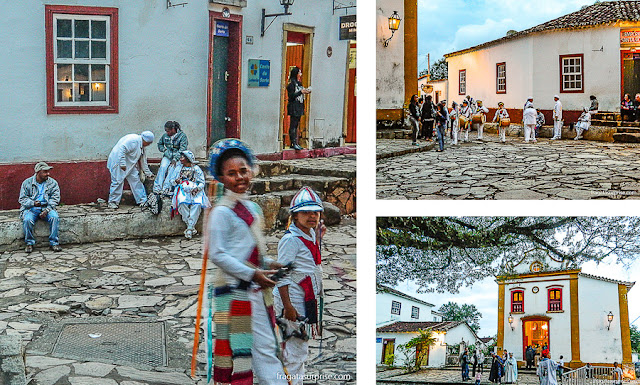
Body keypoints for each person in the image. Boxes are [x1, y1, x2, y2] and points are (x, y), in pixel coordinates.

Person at [206, 138, 288, 384]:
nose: (239, 177)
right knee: (242, 350)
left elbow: (252, 251)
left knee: (266, 345)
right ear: (221, 178)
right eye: (231, 173)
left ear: (251, 170)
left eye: (243, 170)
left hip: (255, 290)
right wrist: (252, 274)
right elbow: (217, 253)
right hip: (235, 293)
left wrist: (269, 262)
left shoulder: (253, 209)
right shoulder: (221, 212)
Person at [273, 186, 326, 385]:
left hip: (306, 298)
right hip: (294, 300)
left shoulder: (310, 234)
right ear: (295, 216)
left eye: (315, 212)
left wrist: (319, 235)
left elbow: (310, 257)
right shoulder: (290, 240)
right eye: (306, 212)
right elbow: (282, 276)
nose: (312, 216)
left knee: (299, 344)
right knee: (295, 346)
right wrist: (288, 306)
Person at [18, 162, 62, 253]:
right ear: (38, 172)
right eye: (45, 172)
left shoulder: (52, 183)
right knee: (27, 220)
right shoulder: (27, 183)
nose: (48, 174)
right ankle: (29, 243)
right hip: (31, 208)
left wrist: (47, 210)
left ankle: (54, 243)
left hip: (47, 207)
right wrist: (33, 203)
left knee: (54, 217)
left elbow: (55, 198)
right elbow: (22, 199)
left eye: (48, 171)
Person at [107, 131, 155, 209]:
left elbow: (143, 160)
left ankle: (142, 200)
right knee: (117, 181)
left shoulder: (142, 146)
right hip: (118, 163)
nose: (149, 145)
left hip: (130, 164)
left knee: (136, 180)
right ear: (145, 140)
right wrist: (122, 164)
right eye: (149, 143)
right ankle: (113, 202)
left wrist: (148, 173)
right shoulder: (133, 140)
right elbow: (122, 149)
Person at [169, 151, 210, 239]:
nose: (180, 159)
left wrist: (197, 188)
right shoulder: (178, 168)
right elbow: (172, 180)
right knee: (182, 202)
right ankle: (190, 226)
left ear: (187, 159)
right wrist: (175, 181)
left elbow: (202, 182)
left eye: (182, 157)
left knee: (197, 204)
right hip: (182, 189)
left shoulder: (196, 168)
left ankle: (189, 228)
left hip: (194, 189)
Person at [154, 121, 188, 195]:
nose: (167, 132)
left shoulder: (182, 136)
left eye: (168, 131)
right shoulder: (165, 136)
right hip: (167, 155)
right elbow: (160, 144)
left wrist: (175, 159)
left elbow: (182, 149)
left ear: (173, 129)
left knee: (172, 169)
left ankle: (166, 188)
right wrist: (164, 150)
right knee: (162, 167)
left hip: (177, 157)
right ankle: (157, 187)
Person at [287, 66, 311, 150]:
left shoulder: (299, 83)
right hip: (294, 106)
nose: (300, 74)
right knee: (293, 125)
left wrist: (305, 91)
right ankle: (293, 143)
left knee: (297, 125)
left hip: (299, 105)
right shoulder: (291, 84)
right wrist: (300, 92)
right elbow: (291, 96)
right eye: (299, 72)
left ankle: (296, 142)